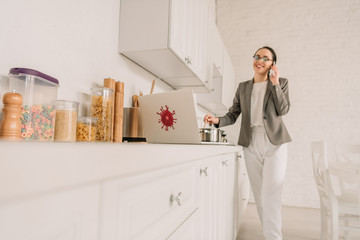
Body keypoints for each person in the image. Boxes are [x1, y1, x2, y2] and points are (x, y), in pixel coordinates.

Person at [204, 46, 291, 240]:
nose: (260, 60)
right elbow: (233, 114)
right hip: (251, 142)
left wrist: (275, 83)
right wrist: (217, 121)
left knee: (271, 195)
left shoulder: (281, 83)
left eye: (265, 58)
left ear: (272, 64)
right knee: (260, 197)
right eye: (257, 56)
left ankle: (274, 237)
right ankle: (269, 234)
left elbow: (283, 109)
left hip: (274, 143)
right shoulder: (243, 87)